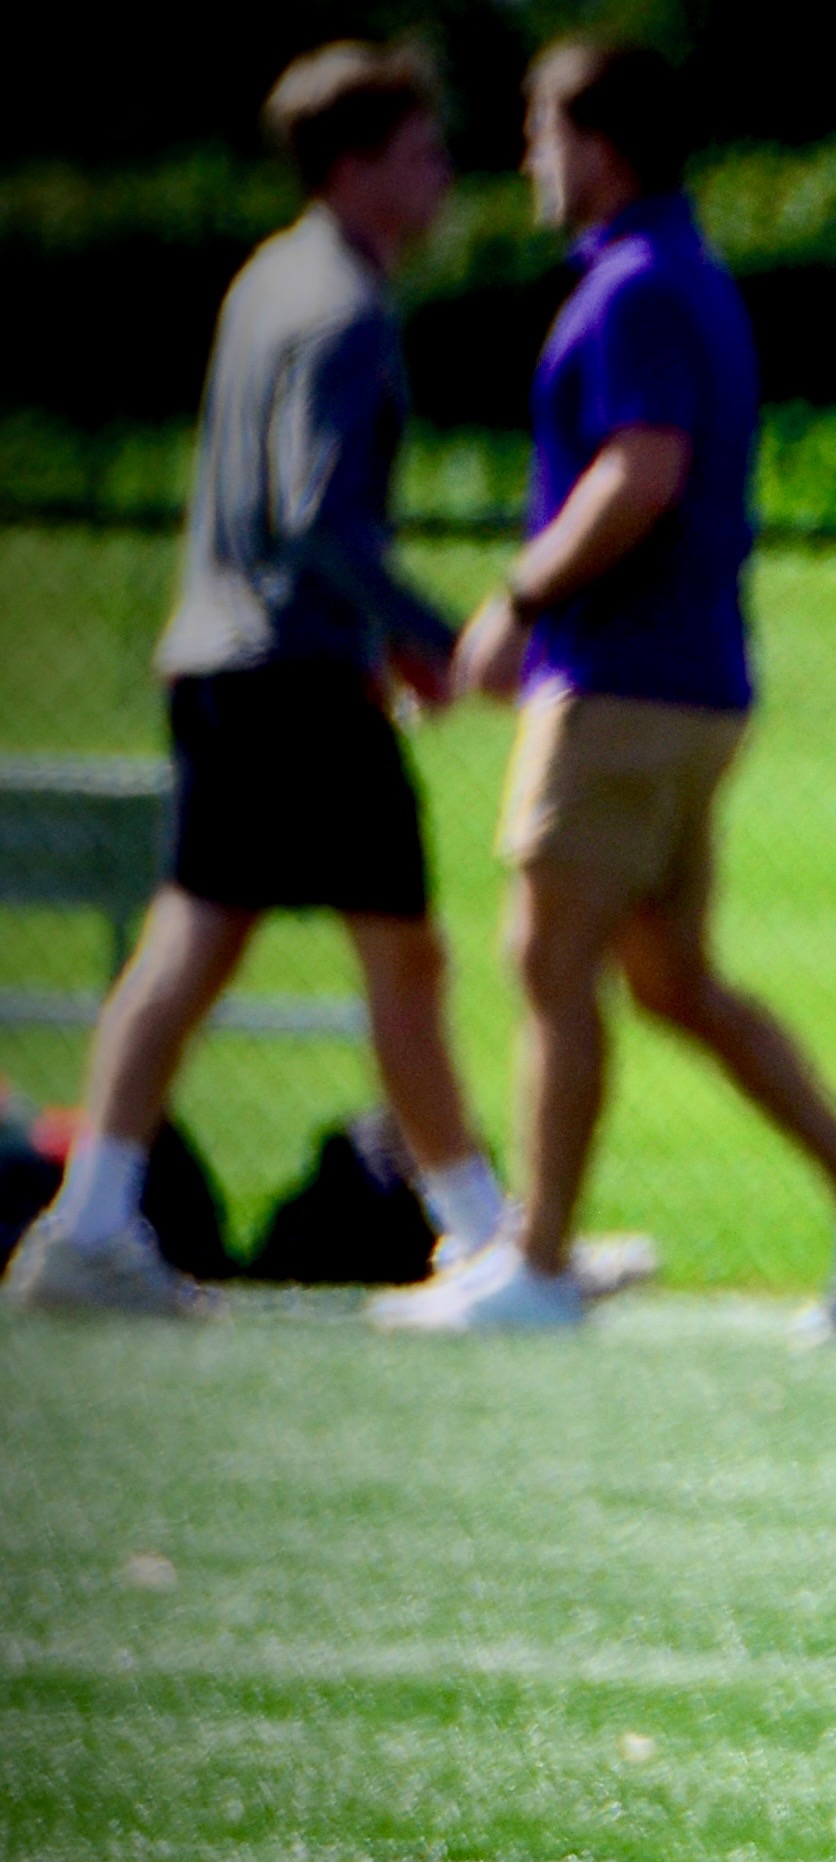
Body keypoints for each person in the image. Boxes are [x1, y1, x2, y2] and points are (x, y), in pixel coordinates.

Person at [377, 38, 836, 1337]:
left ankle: (534, 1262)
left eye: (544, 134)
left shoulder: (636, 286)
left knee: (544, 955)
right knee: (672, 980)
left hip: (622, 682)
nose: (530, 161)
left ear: (601, 145)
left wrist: (520, 601)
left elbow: (641, 472)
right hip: (692, 681)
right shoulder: (678, 274)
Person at [7, 44, 505, 1321]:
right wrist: (428, 635)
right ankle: (485, 1236)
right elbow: (318, 521)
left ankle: (93, 1221)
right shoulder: (343, 304)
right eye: (420, 152)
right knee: (403, 955)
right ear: (353, 167)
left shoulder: (268, 278)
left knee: (196, 939)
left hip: (220, 668)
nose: (444, 175)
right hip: (293, 679)